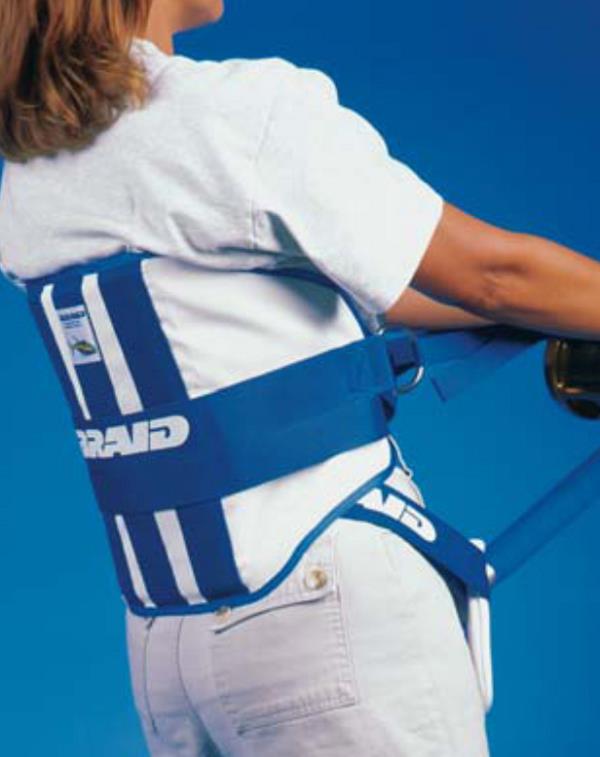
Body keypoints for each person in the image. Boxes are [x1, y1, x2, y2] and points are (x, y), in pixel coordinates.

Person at [1, 2, 600, 755]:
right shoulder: (234, 115)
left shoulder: (29, 181)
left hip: (168, 645)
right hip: (323, 609)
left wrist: (558, 318)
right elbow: (492, 275)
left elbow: (390, 292)